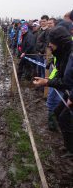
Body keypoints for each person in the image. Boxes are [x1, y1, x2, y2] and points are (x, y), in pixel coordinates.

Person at [33, 26, 73, 157]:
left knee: (64, 118)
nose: (49, 45)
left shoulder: (70, 55)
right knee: (58, 113)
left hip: (71, 93)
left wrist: (47, 82)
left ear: (59, 42)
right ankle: (68, 145)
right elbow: (61, 75)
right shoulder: (61, 53)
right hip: (69, 92)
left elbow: (66, 82)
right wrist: (47, 79)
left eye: (51, 42)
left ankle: (71, 150)